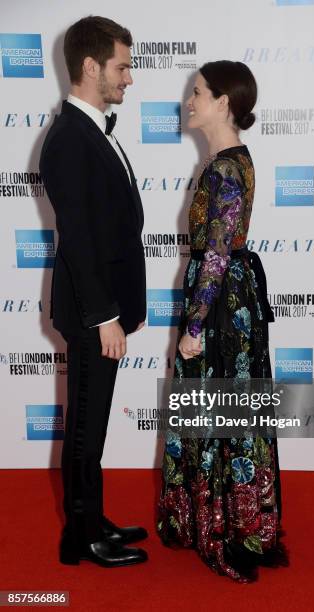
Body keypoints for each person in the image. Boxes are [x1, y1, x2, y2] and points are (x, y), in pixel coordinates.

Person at [157, 61, 288, 582]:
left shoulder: (223, 168)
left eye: (197, 93)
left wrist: (193, 328)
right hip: (230, 298)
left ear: (222, 103)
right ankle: (226, 519)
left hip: (221, 306)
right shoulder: (230, 160)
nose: (189, 101)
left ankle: (224, 528)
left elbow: (214, 255)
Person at [40, 16, 148, 567]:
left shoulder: (91, 130)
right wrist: (106, 315)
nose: (129, 78)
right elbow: (79, 239)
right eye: (121, 66)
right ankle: (79, 539)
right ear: (90, 66)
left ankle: (90, 519)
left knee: (94, 422)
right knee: (85, 428)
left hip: (103, 309)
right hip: (90, 313)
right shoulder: (68, 140)